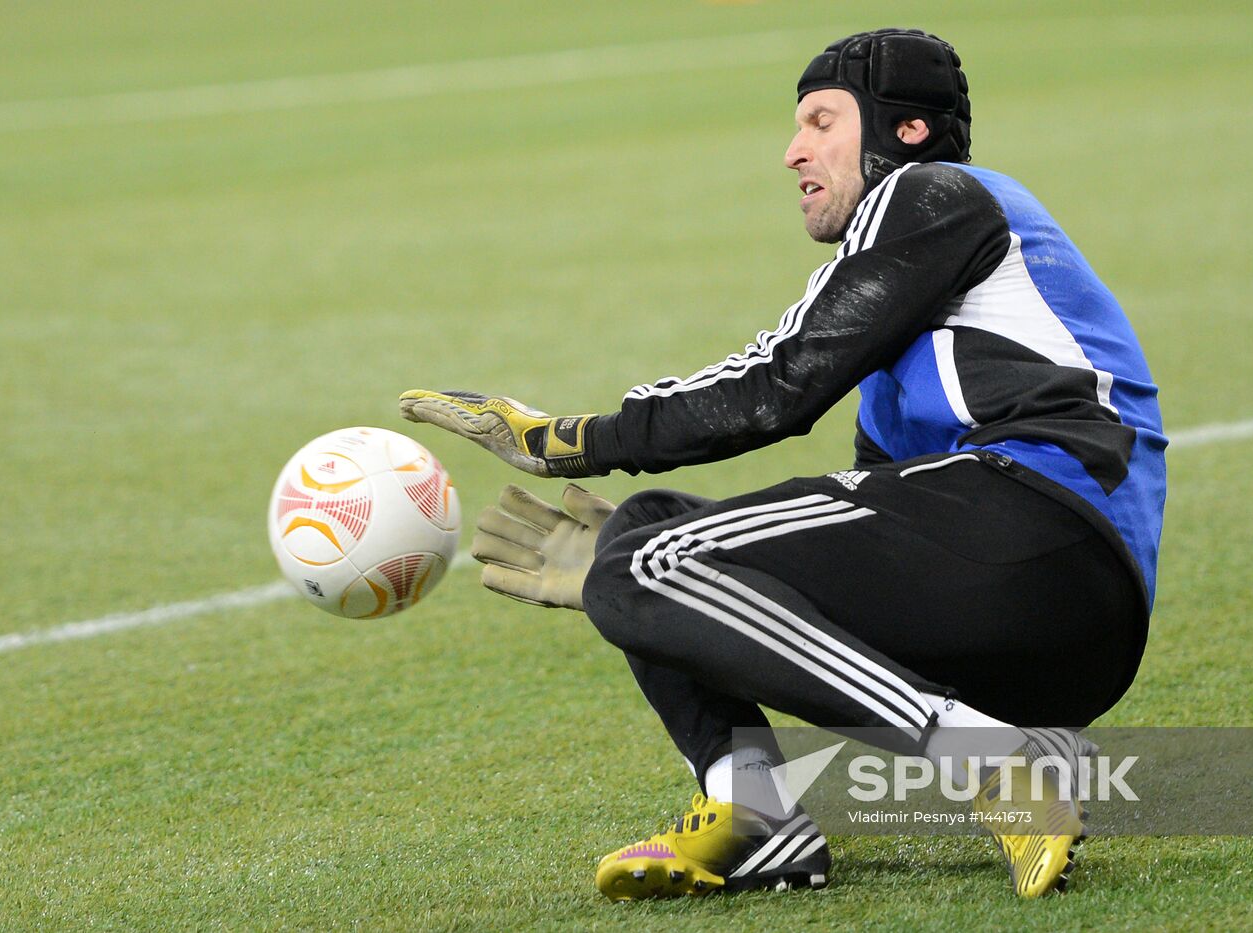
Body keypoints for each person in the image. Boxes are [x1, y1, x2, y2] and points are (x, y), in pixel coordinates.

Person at [399, 28, 1167, 900]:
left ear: (903, 130)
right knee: (648, 541)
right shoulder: (923, 335)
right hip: (1057, 625)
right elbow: (868, 522)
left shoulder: (930, 192)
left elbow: (777, 385)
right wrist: (680, 604)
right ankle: (758, 816)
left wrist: (565, 440)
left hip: (1039, 531)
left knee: (644, 561)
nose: (793, 150)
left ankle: (996, 764)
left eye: (821, 120)